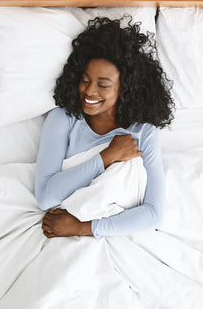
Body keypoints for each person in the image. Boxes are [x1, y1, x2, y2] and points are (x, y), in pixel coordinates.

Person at [35, 16, 175, 239]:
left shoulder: (144, 133)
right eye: (85, 80)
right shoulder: (63, 118)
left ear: (125, 88)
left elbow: (153, 214)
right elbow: (45, 196)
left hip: (111, 232)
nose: (89, 91)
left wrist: (81, 228)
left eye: (103, 85)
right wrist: (106, 156)